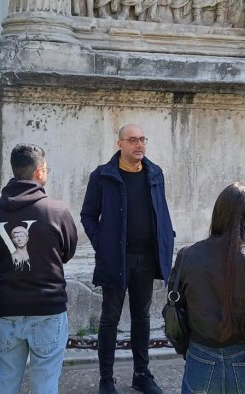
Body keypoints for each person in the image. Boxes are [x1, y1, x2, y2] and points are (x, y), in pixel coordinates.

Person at [81, 124, 175, 394]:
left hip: (147, 258)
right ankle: (106, 379)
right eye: (133, 140)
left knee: (142, 317)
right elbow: (88, 215)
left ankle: (142, 374)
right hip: (116, 259)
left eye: (142, 139)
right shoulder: (103, 176)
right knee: (110, 317)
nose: (139, 145)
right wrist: (102, 244)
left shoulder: (154, 173)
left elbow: (161, 210)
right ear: (119, 143)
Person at [173, 182, 245, 394]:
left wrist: (184, 346)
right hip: (244, 353)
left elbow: (173, 308)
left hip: (200, 351)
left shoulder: (188, 256)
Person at [0, 143, 78, 394]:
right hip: (46, 305)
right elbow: (67, 251)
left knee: (6, 383)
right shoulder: (56, 210)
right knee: (45, 385)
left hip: (8, 305)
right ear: (39, 172)